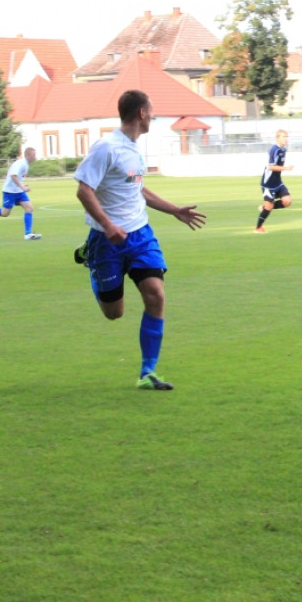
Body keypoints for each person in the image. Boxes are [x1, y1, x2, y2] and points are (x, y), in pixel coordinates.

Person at [73, 89, 207, 391]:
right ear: (142, 114)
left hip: (140, 234)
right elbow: (84, 190)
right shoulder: (106, 147)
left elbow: (138, 190)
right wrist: (107, 226)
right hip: (107, 240)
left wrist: (174, 210)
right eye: (152, 110)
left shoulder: (134, 149)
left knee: (156, 294)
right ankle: (90, 257)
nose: (154, 115)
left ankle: (148, 372)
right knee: (114, 313)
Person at [0, 147, 42, 239]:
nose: (35, 157)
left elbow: (18, 177)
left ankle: (28, 234)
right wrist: (23, 187)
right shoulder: (21, 163)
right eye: (33, 155)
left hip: (19, 192)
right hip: (9, 192)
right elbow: (13, 175)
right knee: (4, 213)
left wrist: (23, 186)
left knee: (29, 208)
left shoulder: (25, 164)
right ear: (28, 155)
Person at [255, 130, 293, 233]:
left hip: (277, 182)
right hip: (268, 184)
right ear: (278, 138)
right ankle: (258, 228)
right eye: (283, 137)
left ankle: (265, 207)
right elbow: (271, 166)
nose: (286, 139)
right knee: (269, 206)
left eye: (286, 137)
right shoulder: (274, 149)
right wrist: (286, 168)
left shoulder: (283, 150)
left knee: (287, 201)